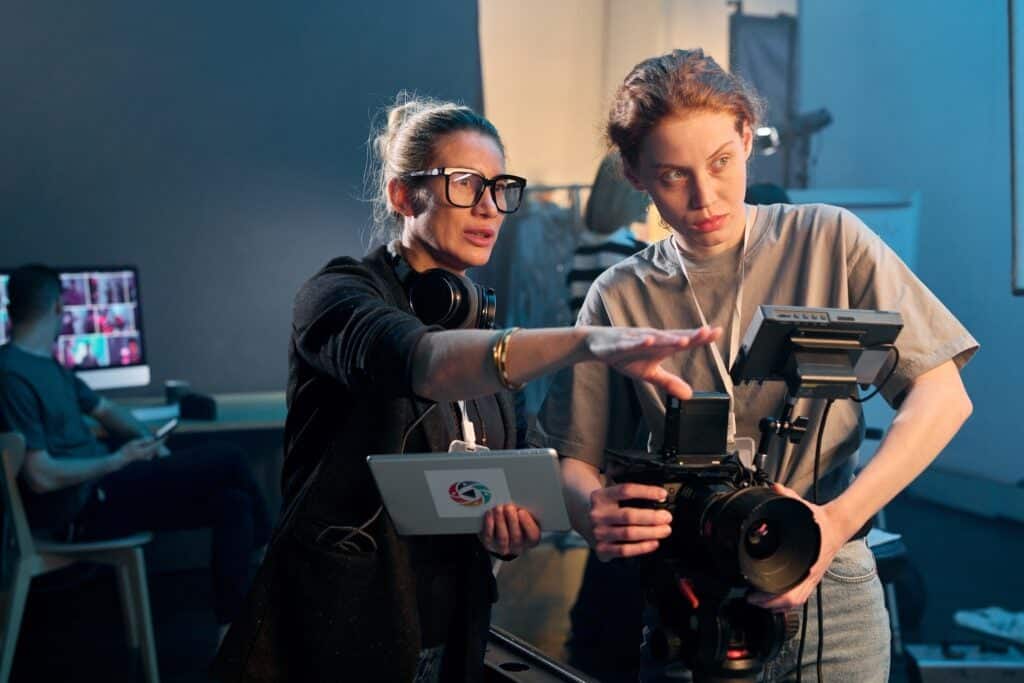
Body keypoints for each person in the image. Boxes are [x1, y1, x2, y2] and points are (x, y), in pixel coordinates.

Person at [214, 94, 721, 683]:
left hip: (447, 635)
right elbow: (422, 362)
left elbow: (497, 486)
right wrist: (586, 341)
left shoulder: (476, 327)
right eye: (464, 184)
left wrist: (513, 530)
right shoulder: (336, 297)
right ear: (403, 196)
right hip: (331, 632)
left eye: (499, 188)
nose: (489, 208)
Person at [533, 48, 976, 682]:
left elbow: (942, 395)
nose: (704, 197)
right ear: (634, 174)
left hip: (831, 583)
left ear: (746, 136)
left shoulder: (830, 240)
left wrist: (834, 525)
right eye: (671, 176)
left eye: (720, 163)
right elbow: (572, 457)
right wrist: (591, 510)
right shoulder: (618, 294)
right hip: (690, 588)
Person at [0, 264, 270, 644]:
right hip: (79, 509)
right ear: (60, 308)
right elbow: (40, 476)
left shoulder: (49, 368)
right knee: (229, 457)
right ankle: (271, 546)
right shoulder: (10, 374)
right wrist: (117, 460)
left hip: (106, 489)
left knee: (234, 502)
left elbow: (107, 411)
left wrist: (151, 445)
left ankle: (231, 635)